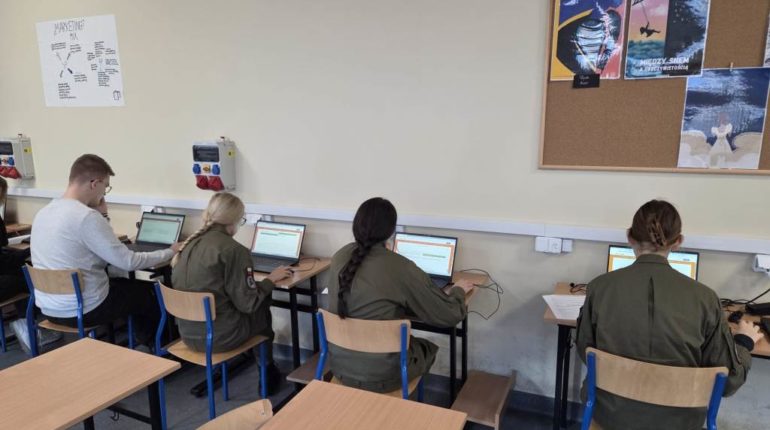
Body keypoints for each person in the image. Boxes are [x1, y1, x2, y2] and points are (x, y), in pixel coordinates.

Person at [576, 200, 762, 430]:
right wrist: (743, 342)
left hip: (609, 415)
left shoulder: (599, 288)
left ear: (630, 237)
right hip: (679, 422)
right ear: (678, 242)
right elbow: (727, 382)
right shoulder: (705, 299)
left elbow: (585, 351)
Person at [325, 197, 475, 393]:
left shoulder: (339, 257)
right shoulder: (400, 267)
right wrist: (458, 290)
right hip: (384, 375)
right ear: (390, 231)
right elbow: (449, 315)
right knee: (425, 348)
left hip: (340, 367)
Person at [29, 154, 181, 347]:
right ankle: (161, 346)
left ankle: (139, 342)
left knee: (125, 288)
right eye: (106, 187)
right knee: (150, 292)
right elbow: (128, 262)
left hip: (48, 308)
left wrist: (102, 216)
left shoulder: (43, 212)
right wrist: (170, 252)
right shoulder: (85, 217)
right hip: (84, 309)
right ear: (95, 183)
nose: (104, 194)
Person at [171, 192, 291, 392]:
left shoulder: (188, 245)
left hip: (188, 334)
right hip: (220, 338)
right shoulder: (234, 250)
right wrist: (270, 280)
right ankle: (267, 371)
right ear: (233, 221)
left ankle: (251, 364)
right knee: (261, 308)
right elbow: (248, 303)